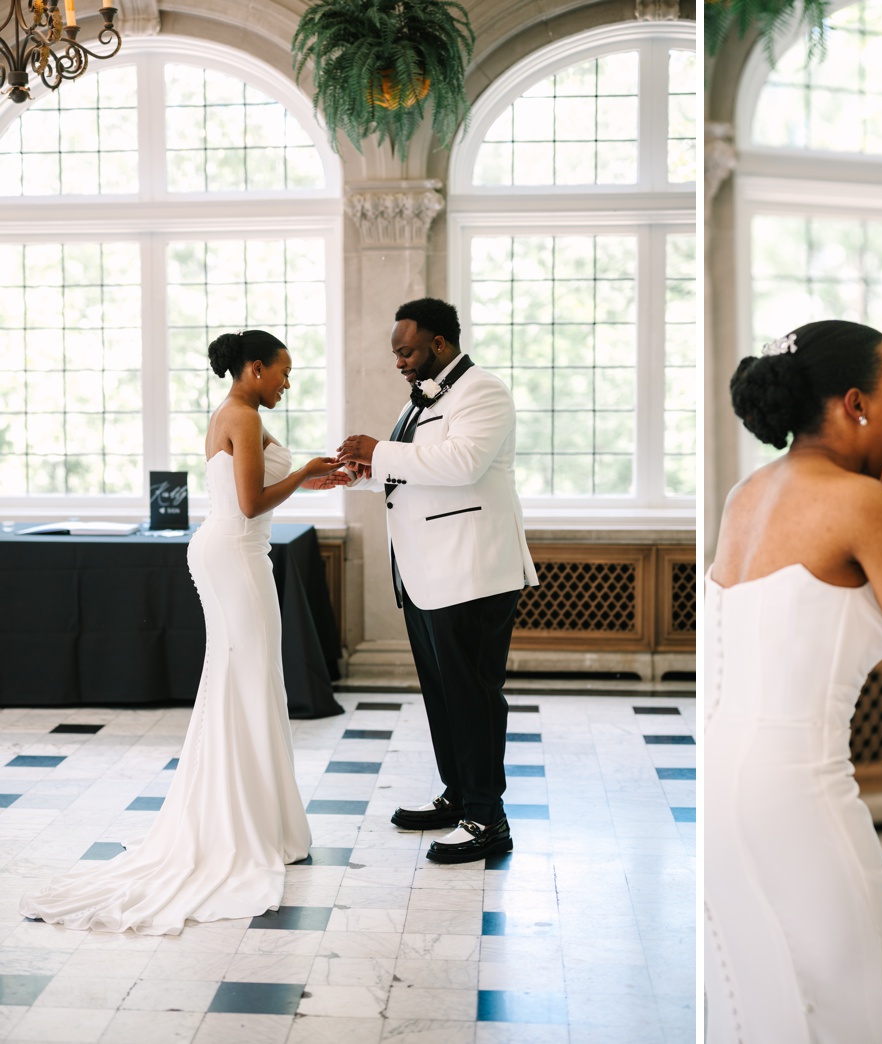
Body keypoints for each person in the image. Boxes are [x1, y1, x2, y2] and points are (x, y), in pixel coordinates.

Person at [19, 330, 347, 935]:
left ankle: (258, 819)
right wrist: (302, 471)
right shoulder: (241, 416)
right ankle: (241, 826)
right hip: (234, 556)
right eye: (282, 371)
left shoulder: (240, 412)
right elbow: (249, 503)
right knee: (245, 681)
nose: (287, 382)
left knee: (247, 680)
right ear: (253, 369)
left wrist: (318, 476)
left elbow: (256, 493)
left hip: (234, 553)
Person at [705, 320, 882, 1043]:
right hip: (798, 796)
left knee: (761, 1004)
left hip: (717, 789)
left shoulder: (746, 494)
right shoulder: (863, 504)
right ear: (855, 404)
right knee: (858, 1012)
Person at [337, 298, 536, 864]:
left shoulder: (484, 392)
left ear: (439, 346)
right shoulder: (423, 398)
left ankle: (487, 817)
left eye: (406, 350)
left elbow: (462, 464)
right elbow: (414, 472)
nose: (399, 362)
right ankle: (458, 795)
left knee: (473, 697)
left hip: (472, 572)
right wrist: (359, 475)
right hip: (426, 574)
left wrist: (380, 452)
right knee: (443, 695)